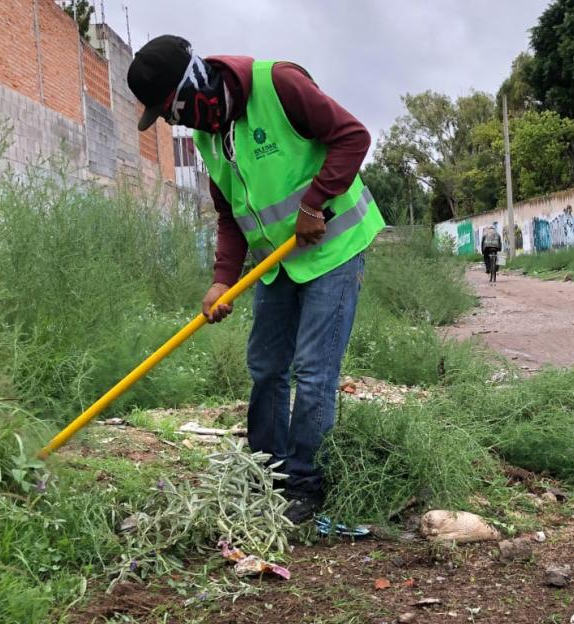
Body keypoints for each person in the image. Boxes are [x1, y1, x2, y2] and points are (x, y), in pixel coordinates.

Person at [127, 35, 384, 524]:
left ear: (190, 90)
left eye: (168, 110)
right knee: (266, 366)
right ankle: (268, 472)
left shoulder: (278, 84)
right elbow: (230, 216)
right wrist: (222, 280)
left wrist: (314, 203)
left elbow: (353, 137)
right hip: (279, 263)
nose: (171, 122)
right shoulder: (208, 136)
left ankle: (305, 485)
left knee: (313, 372)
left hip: (334, 248)